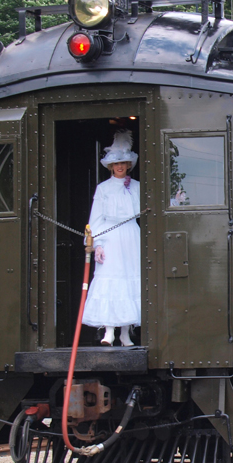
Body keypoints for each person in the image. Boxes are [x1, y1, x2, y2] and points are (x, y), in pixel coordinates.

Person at [84, 129, 141, 346]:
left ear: (128, 165)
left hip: (130, 235)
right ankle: (109, 331)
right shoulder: (103, 188)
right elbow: (95, 218)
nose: (120, 166)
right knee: (110, 279)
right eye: (116, 163)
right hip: (110, 235)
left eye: (124, 163)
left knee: (129, 279)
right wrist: (97, 243)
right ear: (111, 166)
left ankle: (126, 333)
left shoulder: (136, 187)